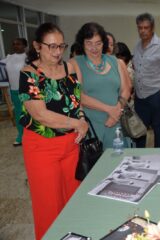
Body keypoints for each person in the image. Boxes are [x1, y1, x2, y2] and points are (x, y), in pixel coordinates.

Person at [18, 23, 88, 240]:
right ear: (37, 46)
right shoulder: (29, 74)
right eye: (52, 47)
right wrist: (77, 124)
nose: (58, 52)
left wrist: (82, 119)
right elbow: (41, 115)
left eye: (61, 46)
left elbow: (77, 102)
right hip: (42, 148)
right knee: (48, 205)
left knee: (74, 201)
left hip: (72, 145)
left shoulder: (71, 68)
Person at [70, 22, 131, 148]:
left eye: (98, 43)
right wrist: (109, 109)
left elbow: (126, 89)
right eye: (89, 43)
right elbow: (78, 95)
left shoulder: (117, 62)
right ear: (82, 43)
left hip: (117, 123)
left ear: (104, 43)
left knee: (119, 164)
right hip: (91, 126)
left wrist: (117, 110)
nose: (94, 48)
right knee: (96, 165)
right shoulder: (75, 64)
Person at [132, 12, 160, 148]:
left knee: (158, 129)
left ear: (152, 28)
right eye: (140, 28)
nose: (143, 31)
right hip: (140, 97)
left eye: (146, 27)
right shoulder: (137, 46)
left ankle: (159, 158)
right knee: (139, 130)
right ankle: (138, 158)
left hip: (156, 95)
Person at [0, 37, 28, 146]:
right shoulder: (9, 57)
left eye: (19, 44)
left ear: (25, 46)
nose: (16, 46)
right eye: (14, 44)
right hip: (14, 90)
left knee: (28, 113)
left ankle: (32, 136)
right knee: (18, 113)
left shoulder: (27, 59)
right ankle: (21, 135)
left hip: (26, 91)